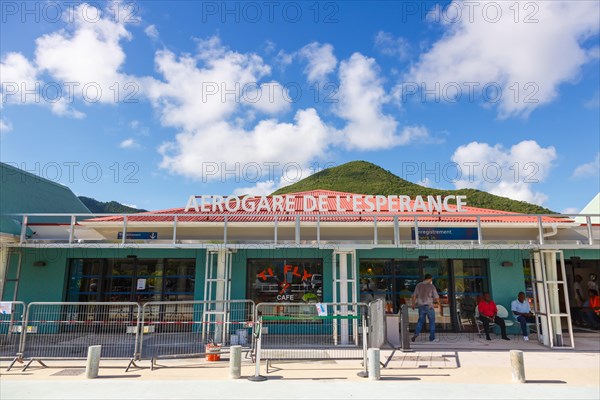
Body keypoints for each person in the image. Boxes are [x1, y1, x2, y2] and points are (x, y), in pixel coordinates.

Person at [411, 274, 441, 342]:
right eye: (431, 279)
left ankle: (416, 333)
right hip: (429, 306)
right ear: (430, 279)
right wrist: (439, 304)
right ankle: (432, 338)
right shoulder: (431, 286)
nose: (431, 280)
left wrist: (413, 304)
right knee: (432, 322)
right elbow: (436, 297)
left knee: (420, 321)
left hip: (421, 306)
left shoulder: (418, 285)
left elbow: (414, 296)